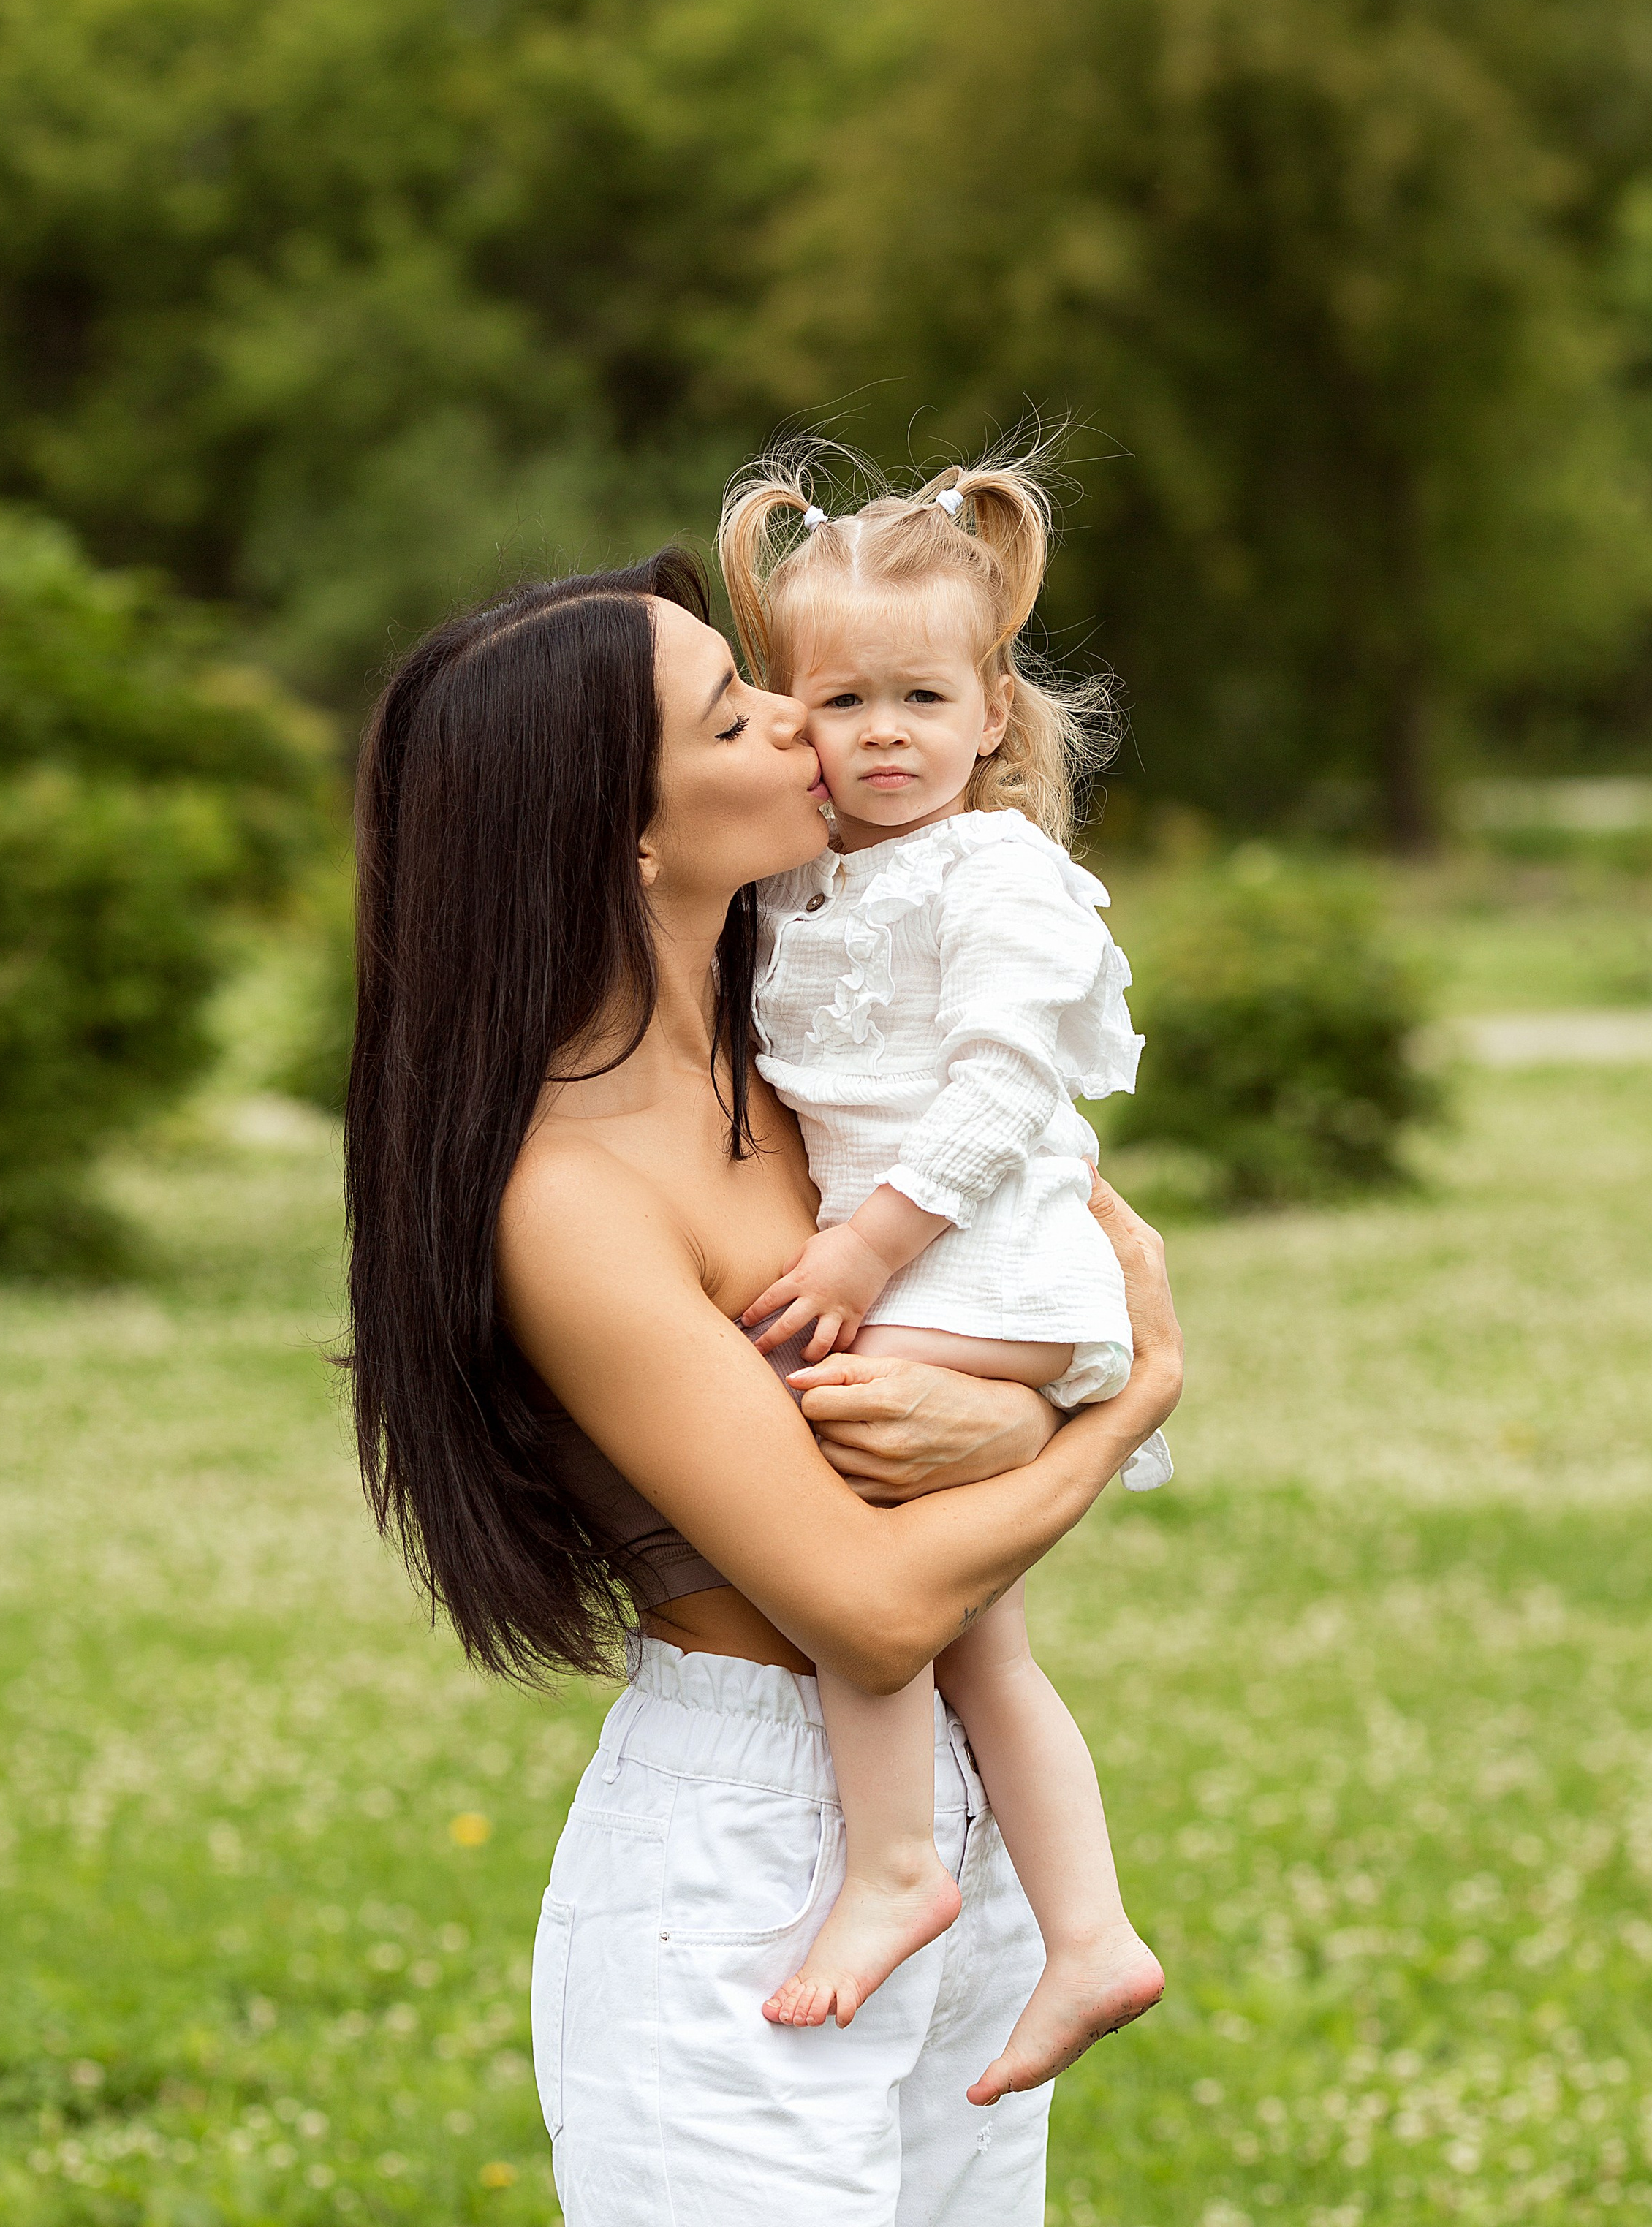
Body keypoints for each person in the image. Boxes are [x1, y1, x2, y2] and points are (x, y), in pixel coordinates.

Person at [344, 546, 1183, 2227]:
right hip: (742, 1882)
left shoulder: (801, 1059)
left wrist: (1016, 1412)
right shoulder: (569, 1195)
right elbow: (868, 1612)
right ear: (627, 837)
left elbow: (1004, 1301)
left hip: (957, 1833)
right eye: (739, 715)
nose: (807, 725)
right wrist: (1127, 1401)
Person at [719, 449, 1170, 2086]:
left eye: (923, 694)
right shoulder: (804, 879)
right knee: (978, 1638)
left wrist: (864, 1247)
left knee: (858, 1563)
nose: (885, 732)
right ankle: (1088, 1930)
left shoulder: (995, 875)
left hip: (971, 1263)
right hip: (924, 1269)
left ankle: (898, 1864)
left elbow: (1000, 1085)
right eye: (842, 700)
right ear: (789, 716)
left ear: (992, 712)